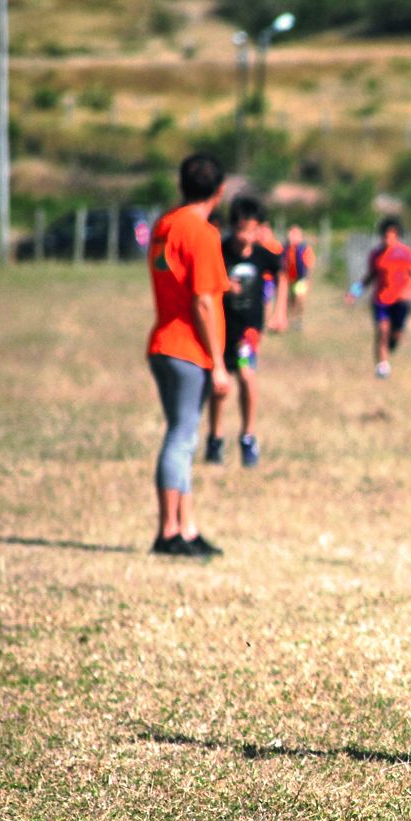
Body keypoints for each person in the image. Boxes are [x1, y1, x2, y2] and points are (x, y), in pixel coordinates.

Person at [145, 153, 231, 557]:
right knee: (181, 438)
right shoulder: (203, 233)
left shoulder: (165, 225)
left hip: (162, 341)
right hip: (188, 349)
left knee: (184, 436)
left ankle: (187, 529)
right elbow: (203, 300)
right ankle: (168, 531)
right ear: (220, 190)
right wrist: (218, 362)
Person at [204, 195, 282, 469]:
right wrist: (225, 285)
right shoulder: (219, 251)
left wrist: (279, 312)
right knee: (220, 387)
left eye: (250, 230)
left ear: (260, 229)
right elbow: (205, 281)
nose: (244, 237)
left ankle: (248, 437)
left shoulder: (264, 256)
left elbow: (281, 273)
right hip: (220, 329)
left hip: (248, 332)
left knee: (247, 376)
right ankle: (215, 437)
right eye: (239, 229)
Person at [357, 216, 411, 378]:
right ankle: (382, 367)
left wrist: (410, 291)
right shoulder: (376, 255)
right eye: (385, 235)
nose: (387, 238)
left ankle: (392, 343)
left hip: (400, 301)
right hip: (381, 300)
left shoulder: (406, 253)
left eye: (391, 235)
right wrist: (355, 291)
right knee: (382, 331)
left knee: (396, 334)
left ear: (397, 235)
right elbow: (369, 276)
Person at [271, 224, 315, 332]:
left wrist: (308, 279)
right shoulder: (284, 248)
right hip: (287, 280)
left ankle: (298, 319)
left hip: (301, 279)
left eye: (296, 234)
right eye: (291, 234)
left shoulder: (304, 248)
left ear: (300, 236)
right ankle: (289, 320)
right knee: (289, 301)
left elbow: (309, 264)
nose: (292, 237)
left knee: (299, 298)